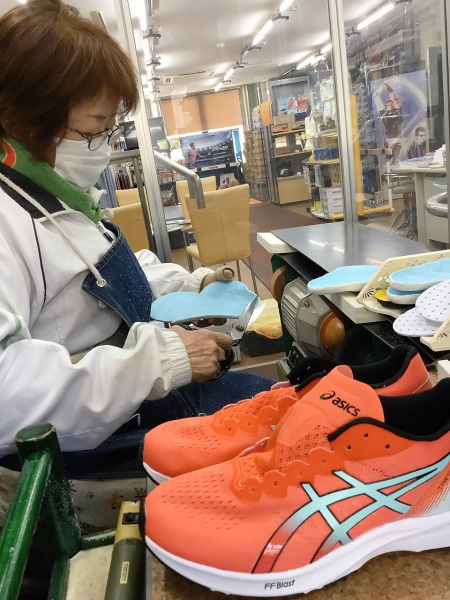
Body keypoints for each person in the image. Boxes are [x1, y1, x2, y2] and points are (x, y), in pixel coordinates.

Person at [0, 0, 274, 479]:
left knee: (281, 405)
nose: (105, 149)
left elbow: (103, 268)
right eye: (93, 131)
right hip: (87, 450)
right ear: (22, 119)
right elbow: (8, 394)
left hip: (132, 403)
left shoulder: (57, 195)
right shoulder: (7, 221)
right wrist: (158, 362)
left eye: (111, 129)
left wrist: (189, 285)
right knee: (276, 436)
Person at [375, 82, 404, 164]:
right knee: (390, 159)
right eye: (388, 105)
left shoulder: (398, 112)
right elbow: (375, 97)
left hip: (398, 139)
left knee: (396, 160)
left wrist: (389, 89)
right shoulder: (384, 114)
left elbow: (395, 100)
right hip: (389, 140)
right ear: (386, 107)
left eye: (391, 104)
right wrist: (381, 88)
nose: (391, 105)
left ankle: (393, 167)